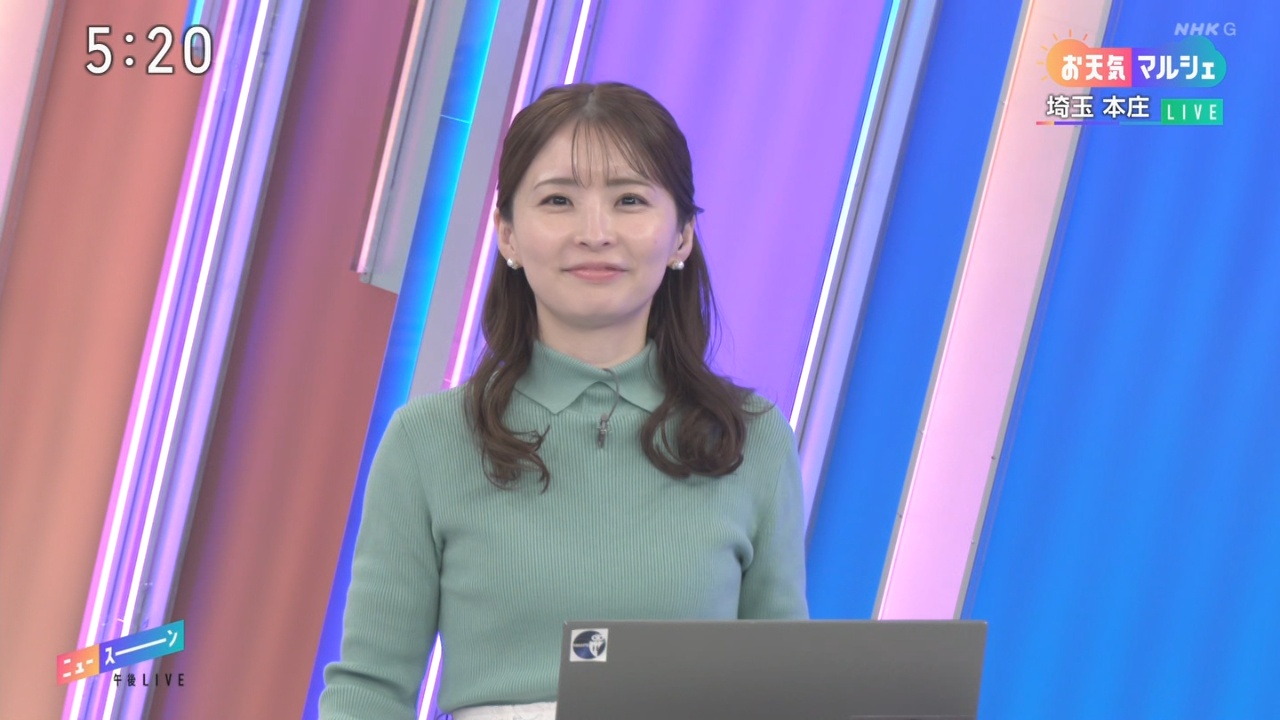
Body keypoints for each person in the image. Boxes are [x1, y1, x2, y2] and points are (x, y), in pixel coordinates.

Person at [319, 81, 808, 720]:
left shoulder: (751, 437)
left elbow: (784, 693)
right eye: (558, 201)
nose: (595, 233)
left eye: (630, 200)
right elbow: (370, 692)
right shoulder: (428, 439)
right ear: (507, 235)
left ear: (682, 236)